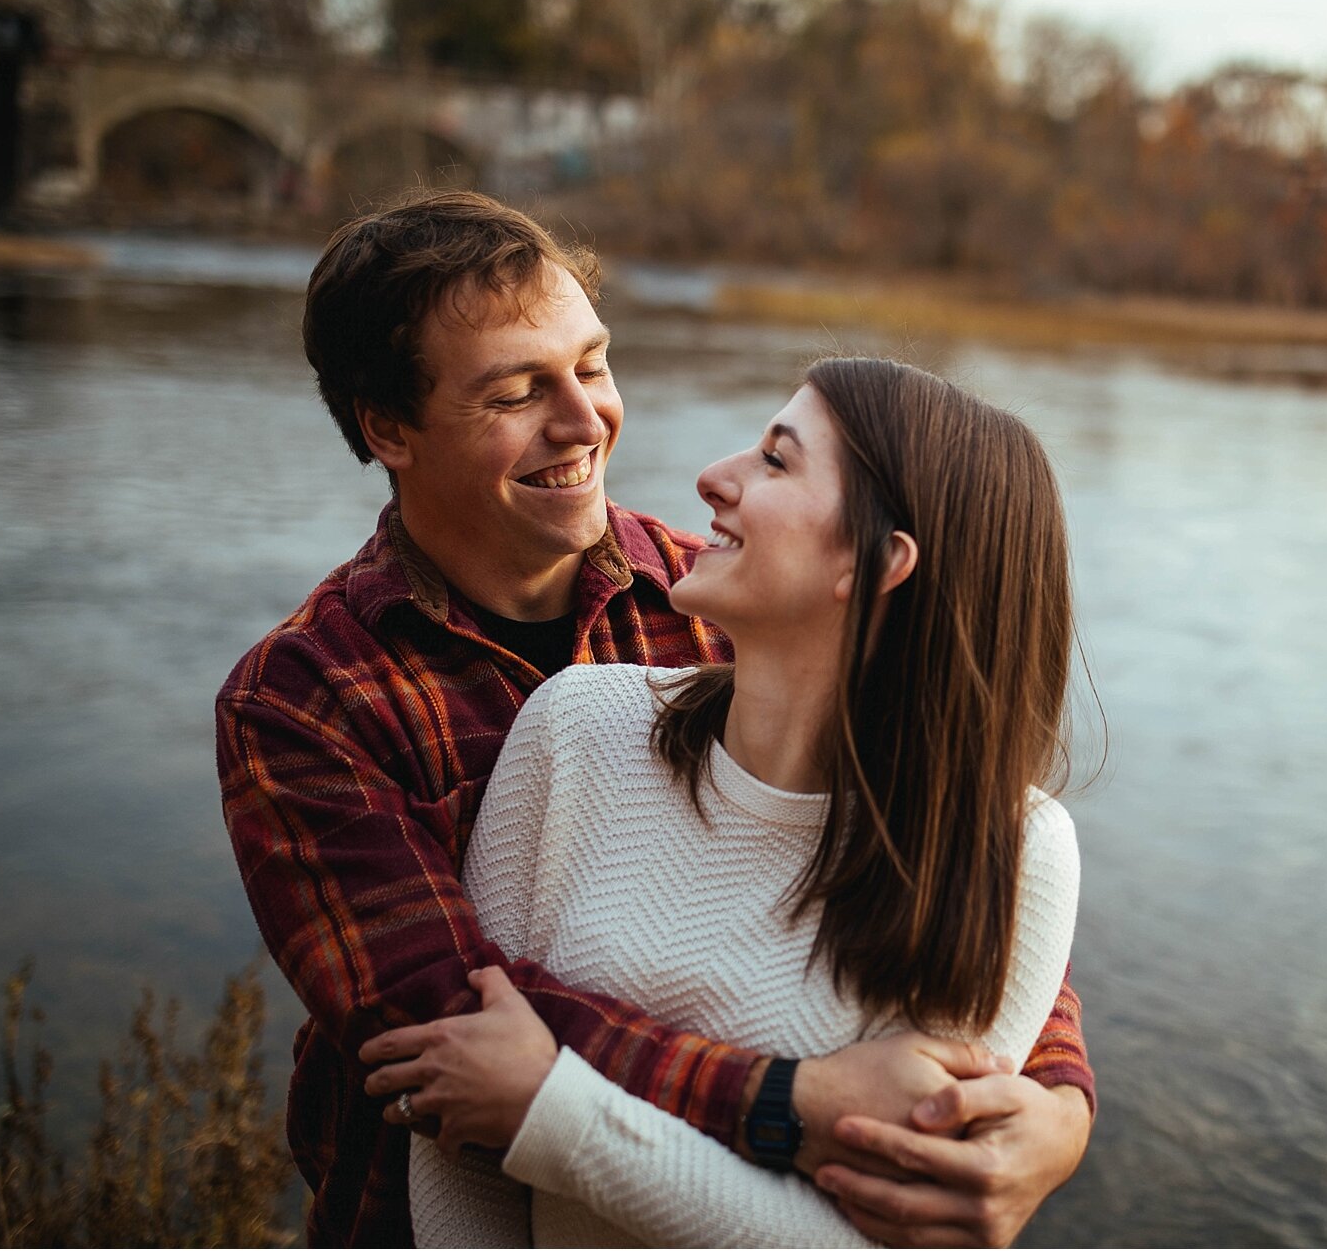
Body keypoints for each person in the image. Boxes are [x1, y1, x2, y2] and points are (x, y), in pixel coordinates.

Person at [216, 194, 1094, 1250]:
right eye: (515, 391)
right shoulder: (305, 697)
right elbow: (448, 1038)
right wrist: (792, 1102)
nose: (587, 421)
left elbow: (941, 851)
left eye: (590, 364)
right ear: (388, 427)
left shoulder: (723, 595)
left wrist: (1055, 1106)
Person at [379, 357, 1080, 1247]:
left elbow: (868, 1241)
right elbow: (461, 1113)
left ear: (874, 560)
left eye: (776, 460)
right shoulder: (578, 728)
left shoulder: (1016, 852)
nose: (713, 477)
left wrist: (552, 1117)